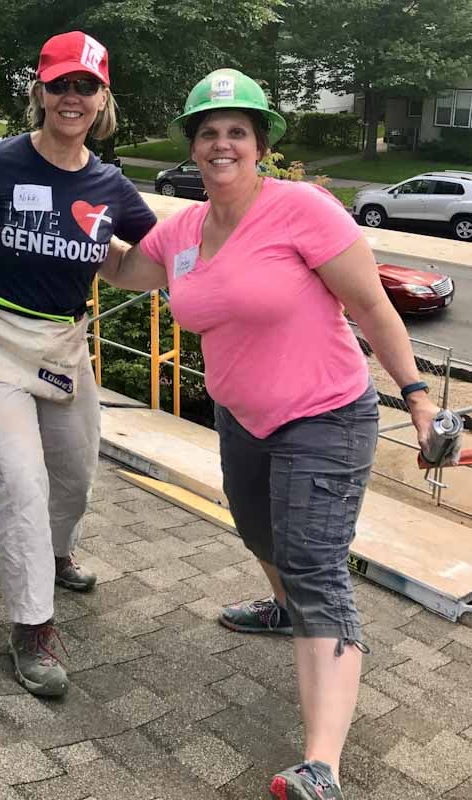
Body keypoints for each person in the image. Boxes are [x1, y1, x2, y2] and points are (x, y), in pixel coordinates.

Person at [100, 68, 446, 799]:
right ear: (191, 146)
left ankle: (322, 764)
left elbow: (373, 310)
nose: (220, 144)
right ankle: (283, 608)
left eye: (236, 132)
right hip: (242, 418)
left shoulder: (303, 211)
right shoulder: (186, 229)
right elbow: (132, 273)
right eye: (207, 132)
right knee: (259, 536)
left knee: (315, 568)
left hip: (324, 415)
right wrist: (87, 225)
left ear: (259, 144)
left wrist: (414, 397)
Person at [0, 31, 156, 698]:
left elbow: (154, 254)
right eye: (59, 84)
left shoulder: (109, 186)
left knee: (74, 479)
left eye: (85, 86)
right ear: (39, 92)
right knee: (23, 481)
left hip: (60, 350)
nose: (70, 97)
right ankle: (31, 625)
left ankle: (52, 556)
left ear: (102, 98)